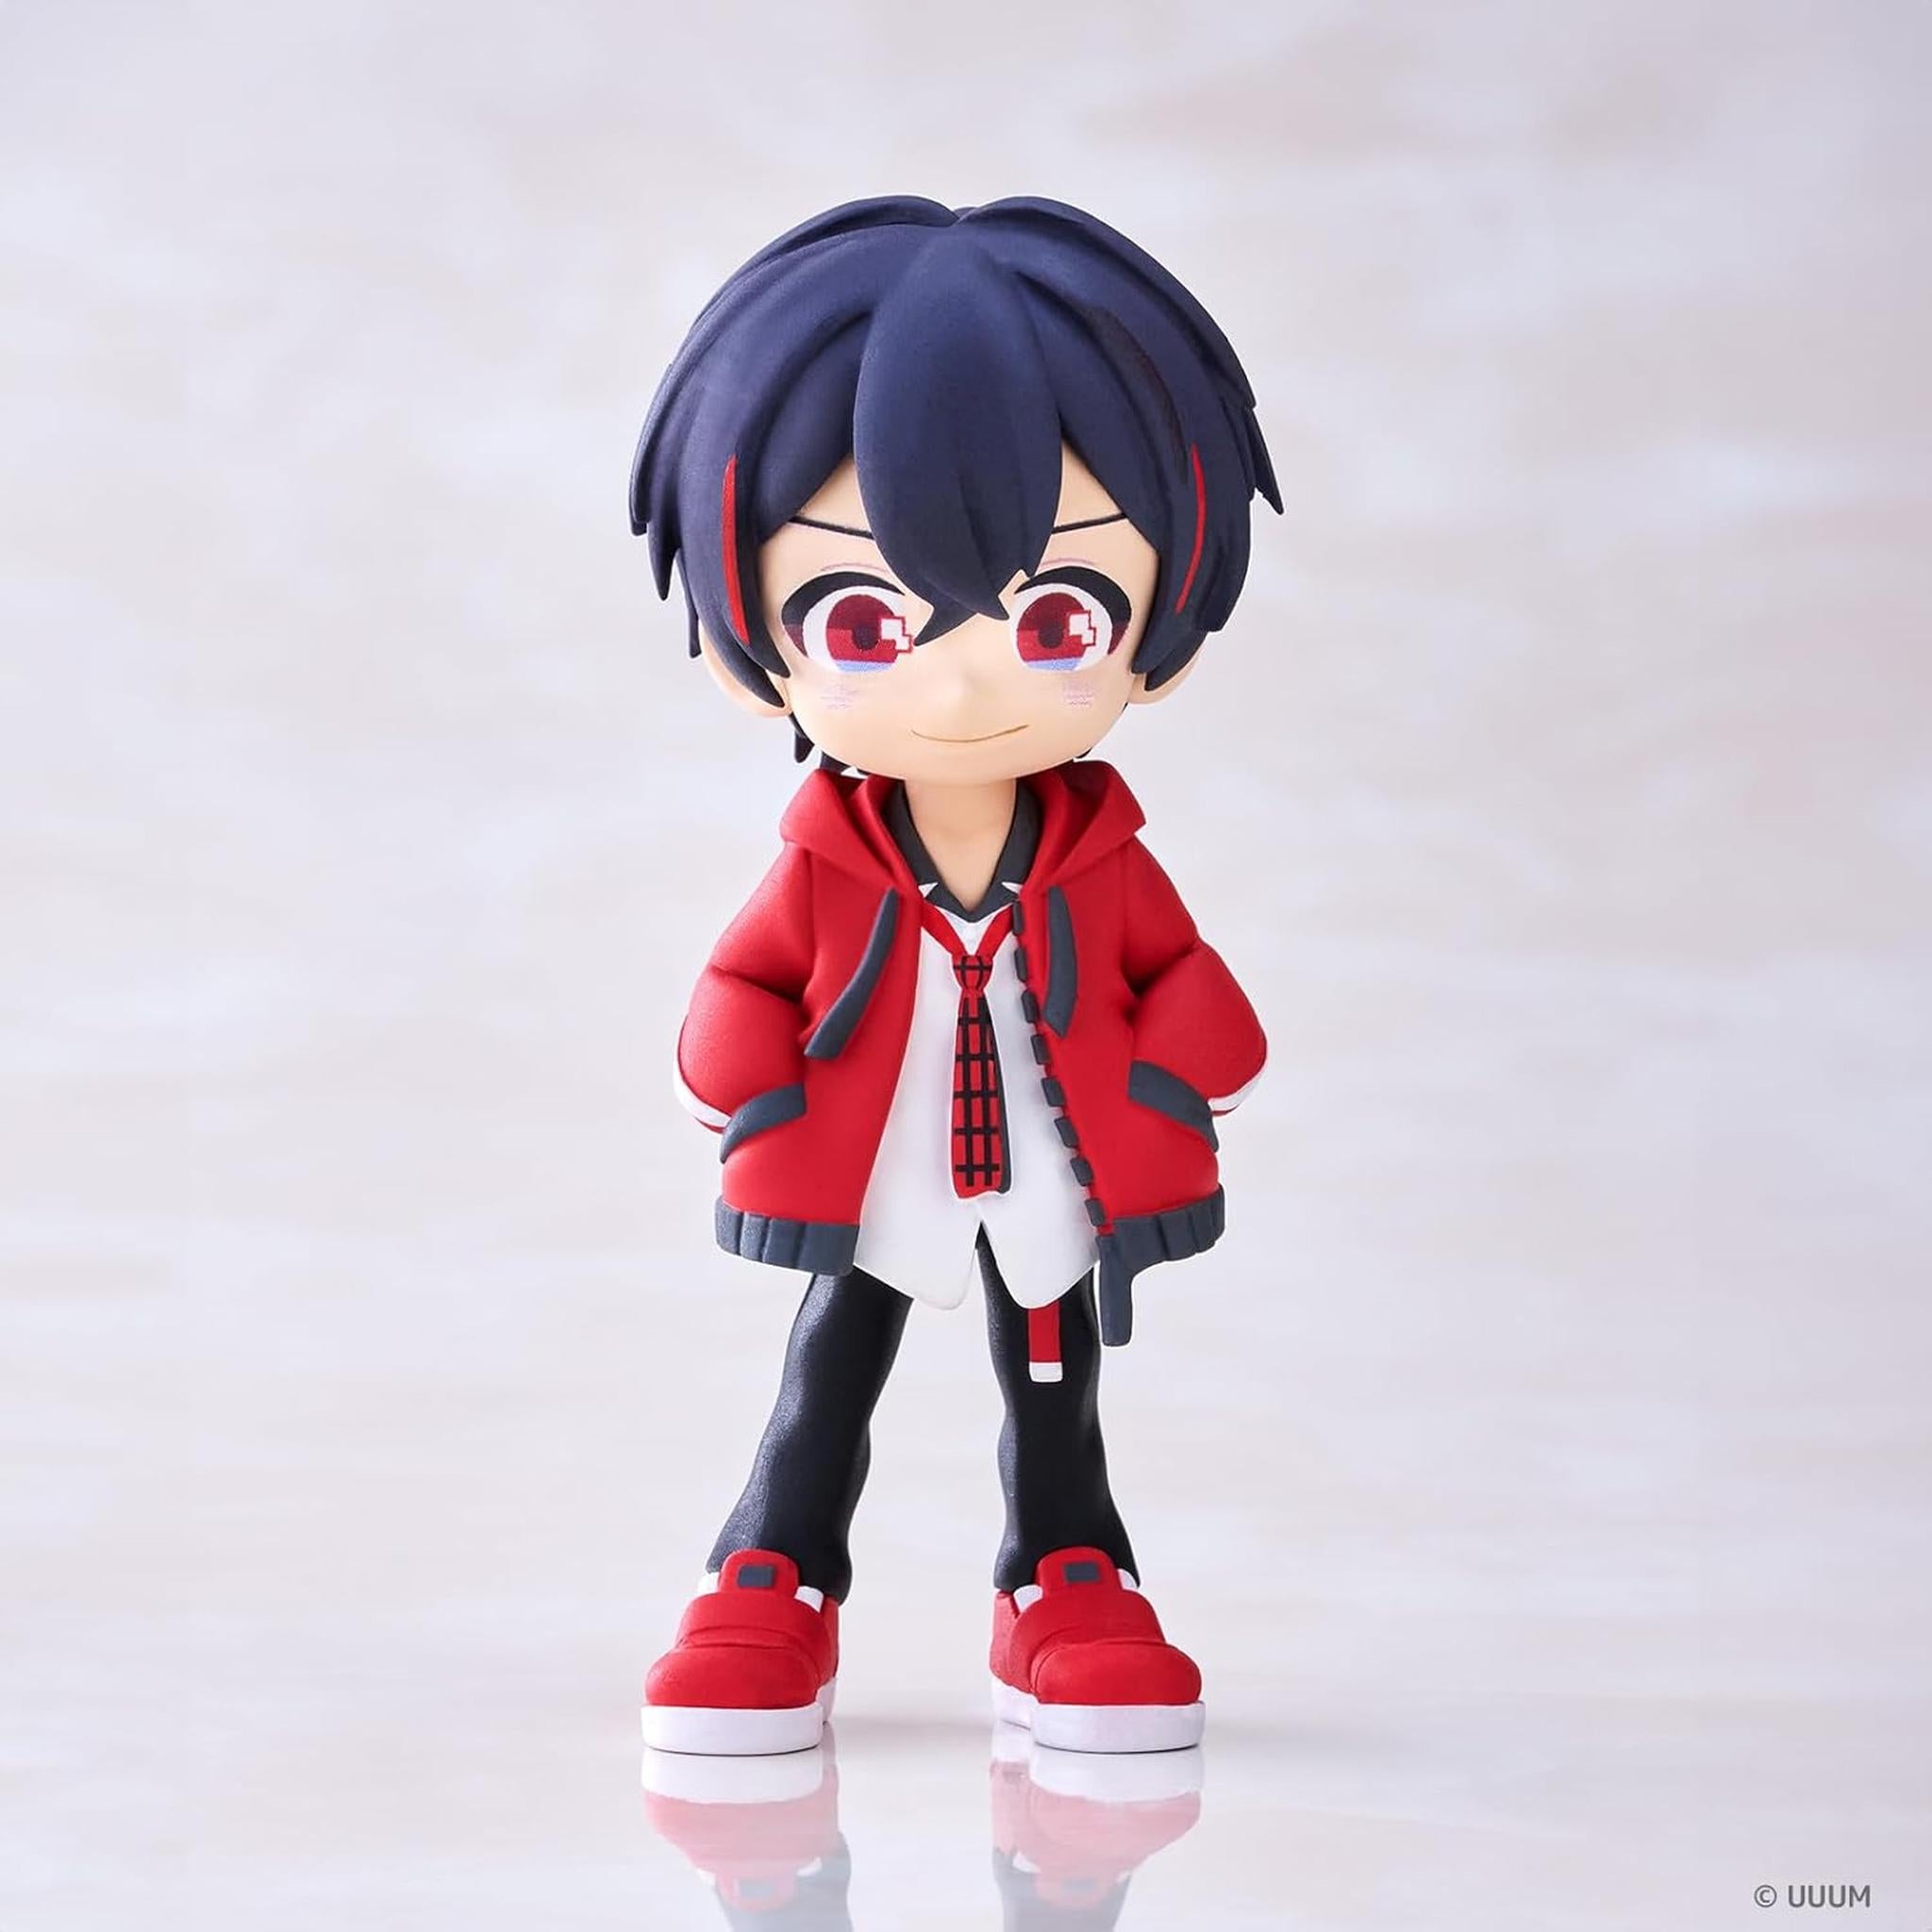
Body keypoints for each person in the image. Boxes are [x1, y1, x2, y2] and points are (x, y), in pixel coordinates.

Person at [630, 197, 1276, 1755]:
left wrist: (1189, 1054)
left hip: (1051, 1166)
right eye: (865, 617)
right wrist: (743, 1072)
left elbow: (1183, 978)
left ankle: (1065, 1574)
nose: (965, 676)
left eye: (1061, 615)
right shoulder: (823, 860)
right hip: (871, 1160)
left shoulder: (1103, 857)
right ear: (745, 645)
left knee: (1052, 1375)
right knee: (831, 1367)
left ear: (1166, 627)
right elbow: (744, 984)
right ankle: (773, 1570)